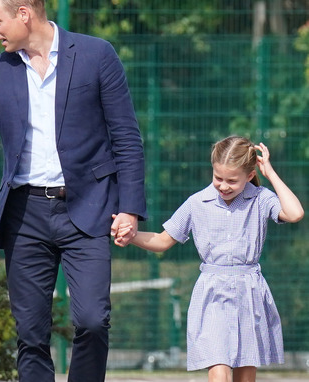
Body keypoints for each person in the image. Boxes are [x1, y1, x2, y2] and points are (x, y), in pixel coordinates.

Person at [0, 0, 147, 382]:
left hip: (89, 208)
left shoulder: (96, 55)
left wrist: (129, 208)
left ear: (24, 14)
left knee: (93, 320)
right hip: (25, 215)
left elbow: (126, 137)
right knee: (31, 333)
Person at [112, 136, 304, 382]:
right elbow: (162, 241)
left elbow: (295, 213)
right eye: (218, 178)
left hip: (250, 293)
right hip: (212, 294)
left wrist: (270, 173)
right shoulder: (196, 203)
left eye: (232, 181)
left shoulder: (261, 198)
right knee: (219, 374)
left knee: (245, 377)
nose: (223, 186)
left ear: (249, 175)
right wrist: (132, 235)